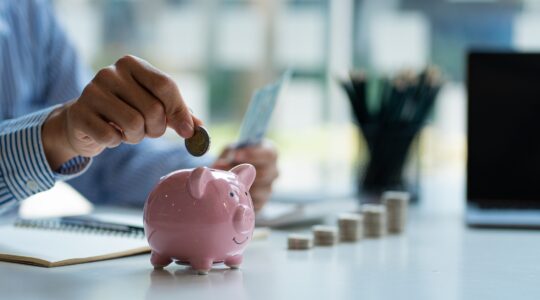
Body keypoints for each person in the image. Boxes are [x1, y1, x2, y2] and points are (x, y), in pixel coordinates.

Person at [0, 0, 278, 215]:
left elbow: (107, 162)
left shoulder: (29, 13)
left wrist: (215, 176)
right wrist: (56, 134)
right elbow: (74, 132)